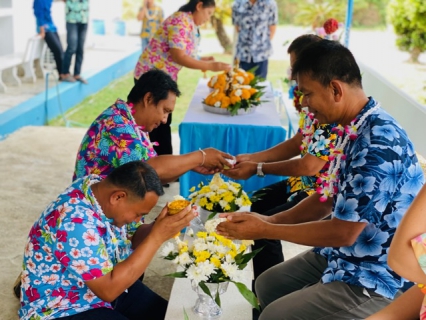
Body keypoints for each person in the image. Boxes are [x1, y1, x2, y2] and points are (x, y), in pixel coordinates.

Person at [216, 40, 425, 319]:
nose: (302, 103)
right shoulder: (350, 126)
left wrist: (265, 230)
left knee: (274, 315)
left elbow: (343, 232)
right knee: (267, 284)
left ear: (335, 89)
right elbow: (326, 197)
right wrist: (271, 220)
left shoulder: (377, 142)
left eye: (307, 94)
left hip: (379, 276)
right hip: (345, 255)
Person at [19, 161, 196, 320]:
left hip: (103, 285)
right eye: (138, 214)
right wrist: (157, 237)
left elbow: (132, 237)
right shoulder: (74, 222)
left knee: (175, 316)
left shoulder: (98, 188)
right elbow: (108, 291)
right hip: (63, 307)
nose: (137, 220)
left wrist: (160, 224)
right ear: (118, 197)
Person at [223, 34, 332, 280]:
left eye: (296, 66)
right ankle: (262, 281)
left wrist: (258, 168)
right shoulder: (309, 99)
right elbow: (298, 142)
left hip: (319, 194)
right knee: (255, 205)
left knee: (264, 229)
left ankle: (266, 291)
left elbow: (308, 166)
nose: (292, 73)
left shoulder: (327, 107)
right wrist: (252, 157)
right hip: (302, 185)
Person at [73, 68, 233, 184]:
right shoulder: (116, 126)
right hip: (94, 217)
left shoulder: (129, 119)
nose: (165, 119)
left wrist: (192, 164)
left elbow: (154, 169)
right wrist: (200, 157)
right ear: (148, 99)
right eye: (165, 110)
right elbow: (148, 171)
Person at [134, 0, 231, 156]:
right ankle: (160, 168)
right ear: (199, 6)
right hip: (151, 78)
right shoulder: (180, 20)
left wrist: (202, 60)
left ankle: (164, 166)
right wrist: (209, 66)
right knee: (157, 124)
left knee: (163, 122)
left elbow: (183, 52)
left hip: (164, 77)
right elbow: (178, 56)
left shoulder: (189, 22)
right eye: (208, 13)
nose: (208, 18)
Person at [232, 0, 278, 79]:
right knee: (240, 86)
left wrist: (260, 45)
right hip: (242, 54)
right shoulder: (237, 4)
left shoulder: (270, 4)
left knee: (260, 86)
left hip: (261, 55)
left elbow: (272, 28)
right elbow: (237, 27)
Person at [33, 0, 72, 82]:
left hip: (52, 27)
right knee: (57, 50)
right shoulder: (38, 1)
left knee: (61, 51)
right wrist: (42, 30)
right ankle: (62, 74)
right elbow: (38, 14)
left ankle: (64, 73)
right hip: (45, 29)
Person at [62, 0, 89, 84]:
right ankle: (64, 73)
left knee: (80, 48)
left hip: (84, 18)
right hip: (71, 19)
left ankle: (77, 73)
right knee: (72, 47)